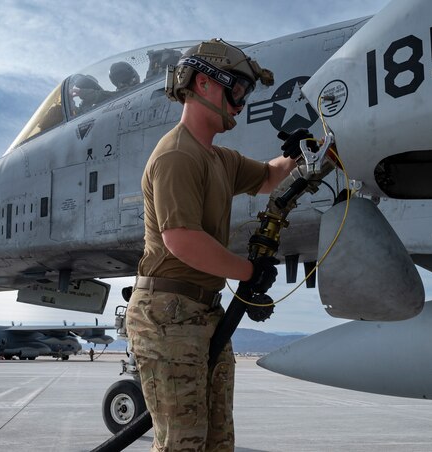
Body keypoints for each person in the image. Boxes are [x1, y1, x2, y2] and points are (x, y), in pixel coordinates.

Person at [125, 39, 298, 451]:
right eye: (236, 91)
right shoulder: (176, 156)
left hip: (203, 312)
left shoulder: (219, 159)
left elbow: (270, 177)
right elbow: (182, 240)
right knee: (183, 443)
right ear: (204, 84)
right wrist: (249, 273)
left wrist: (297, 154)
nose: (240, 104)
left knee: (218, 441)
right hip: (168, 315)